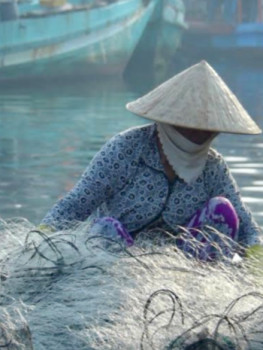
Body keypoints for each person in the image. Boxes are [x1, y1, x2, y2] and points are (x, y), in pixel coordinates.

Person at [39, 61, 262, 261]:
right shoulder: (126, 149)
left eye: (210, 127)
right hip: (114, 255)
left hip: (179, 261)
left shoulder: (213, 166)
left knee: (222, 209)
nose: (203, 133)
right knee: (108, 228)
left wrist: (257, 261)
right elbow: (75, 204)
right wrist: (37, 243)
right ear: (170, 120)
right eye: (193, 125)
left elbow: (246, 226)